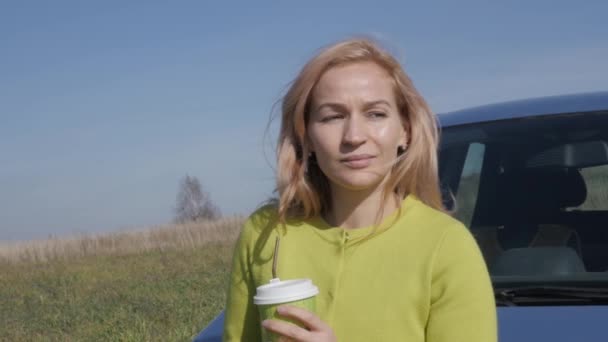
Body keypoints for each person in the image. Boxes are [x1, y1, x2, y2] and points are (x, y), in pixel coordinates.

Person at [223, 38, 497, 342]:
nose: (354, 136)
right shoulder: (266, 233)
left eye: (375, 114)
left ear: (405, 130)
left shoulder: (446, 245)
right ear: (307, 137)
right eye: (332, 116)